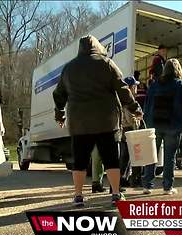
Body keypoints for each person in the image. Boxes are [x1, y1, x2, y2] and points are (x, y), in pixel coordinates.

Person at [53, 35, 143, 206]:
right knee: (111, 159)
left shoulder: (69, 68)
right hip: (106, 121)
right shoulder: (106, 63)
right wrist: (135, 108)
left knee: (79, 161)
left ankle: (78, 196)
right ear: (97, 46)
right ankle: (116, 194)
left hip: (79, 123)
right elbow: (123, 89)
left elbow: (59, 94)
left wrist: (60, 115)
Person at [143, 58, 182, 195]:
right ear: (178, 70)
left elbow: (147, 105)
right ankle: (167, 187)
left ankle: (147, 185)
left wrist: (147, 122)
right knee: (169, 157)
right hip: (174, 126)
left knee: (151, 156)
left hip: (154, 124)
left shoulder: (154, 85)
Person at [119, 76, 142, 189]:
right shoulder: (129, 101)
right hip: (129, 130)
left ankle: (123, 179)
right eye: (135, 86)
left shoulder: (121, 99)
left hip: (123, 130)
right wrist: (138, 120)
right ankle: (126, 180)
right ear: (131, 87)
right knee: (131, 156)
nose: (136, 88)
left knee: (125, 156)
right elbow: (130, 119)